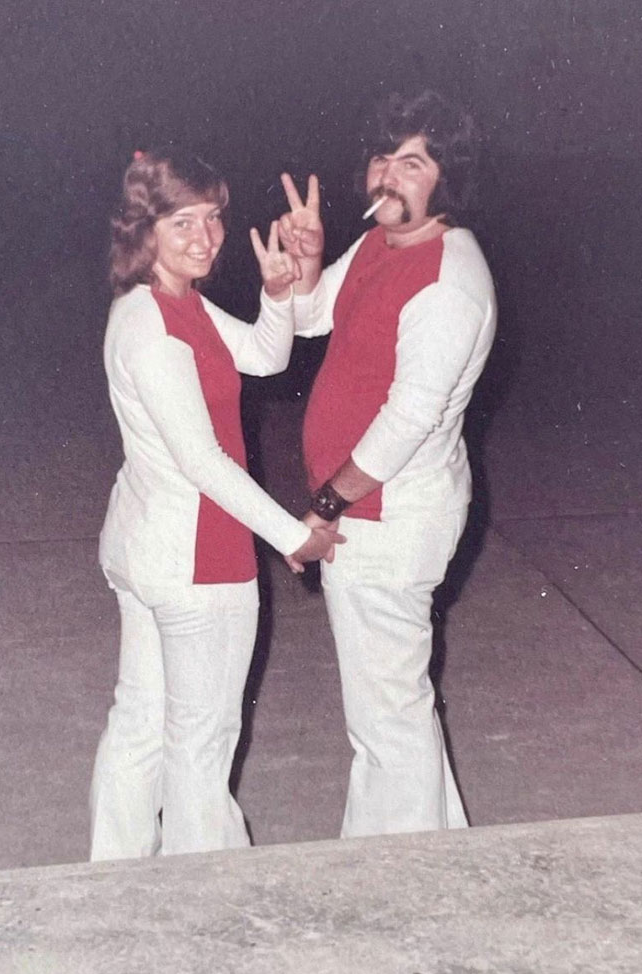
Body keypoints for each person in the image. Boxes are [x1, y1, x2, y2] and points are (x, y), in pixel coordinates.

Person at [90, 148, 344, 861]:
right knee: (199, 748)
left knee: (142, 724)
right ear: (144, 228)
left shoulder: (173, 304)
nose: (204, 238)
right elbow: (201, 459)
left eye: (213, 220)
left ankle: (109, 880)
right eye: (182, 222)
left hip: (151, 550)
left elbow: (265, 358)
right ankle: (204, 912)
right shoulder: (154, 326)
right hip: (197, 562)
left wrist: (278, 294)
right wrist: (294, 536)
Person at [278, 90, 497, 837]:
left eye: (413, 162)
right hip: (371, 513)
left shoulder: (447, 280)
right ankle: (436, 865)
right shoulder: (382, 241)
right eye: (382, 157)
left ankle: (400, 890)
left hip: (387, 518)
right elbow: (311, 318)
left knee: (386, 723)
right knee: (393, 711)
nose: (389, 177)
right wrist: (306, 266)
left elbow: (409, 417)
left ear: (447, 179)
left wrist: (326, 504)